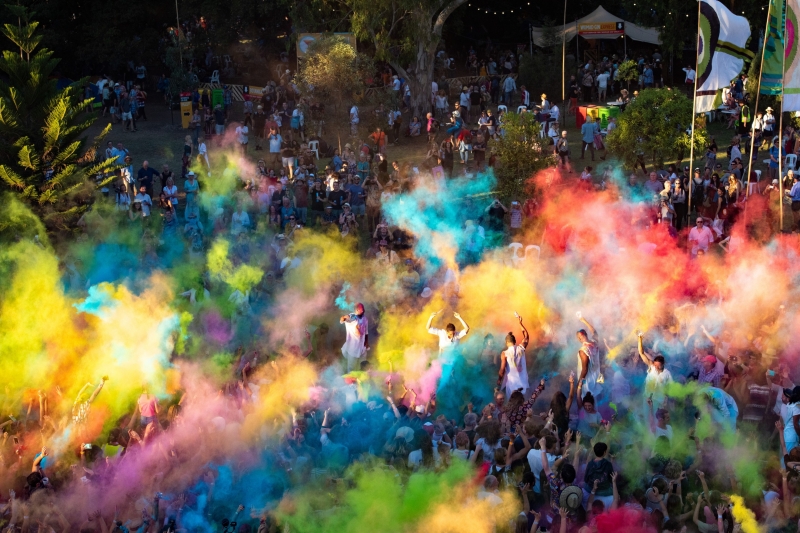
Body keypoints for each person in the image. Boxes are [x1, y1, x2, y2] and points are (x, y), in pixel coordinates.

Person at [497, 314, 530, 397]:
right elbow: (526, 336)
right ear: (515, 341)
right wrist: (520, 323)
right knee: (523, 405)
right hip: (523, 384)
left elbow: (502, 370)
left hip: (512, 386)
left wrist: (499, 380)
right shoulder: (521, 348)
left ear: (506, 342)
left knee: (513, 405)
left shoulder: (505, 353)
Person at [576, 313, 602, 397]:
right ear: (586, 334)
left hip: (587, 381)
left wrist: (579, 385)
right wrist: (584, 320)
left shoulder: (583, 351)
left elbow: (585, 370)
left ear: (579, 339)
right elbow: (594, 332)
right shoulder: (594, 343)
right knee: (595, 400)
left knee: (586, 401)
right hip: (596, 377)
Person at [340, 303, 368, 371]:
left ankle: (363, 380)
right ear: (357, 309)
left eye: (363, 308)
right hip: (353, 349)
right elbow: (342, 320)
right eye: (362, 309)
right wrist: (343, 318)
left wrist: (366, 343)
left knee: (364, 366)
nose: (363, 310)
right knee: (351, 369)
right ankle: (351, 381)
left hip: (362, 348)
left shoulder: (365, 319)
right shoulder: (351, 317)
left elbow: (366, 332)